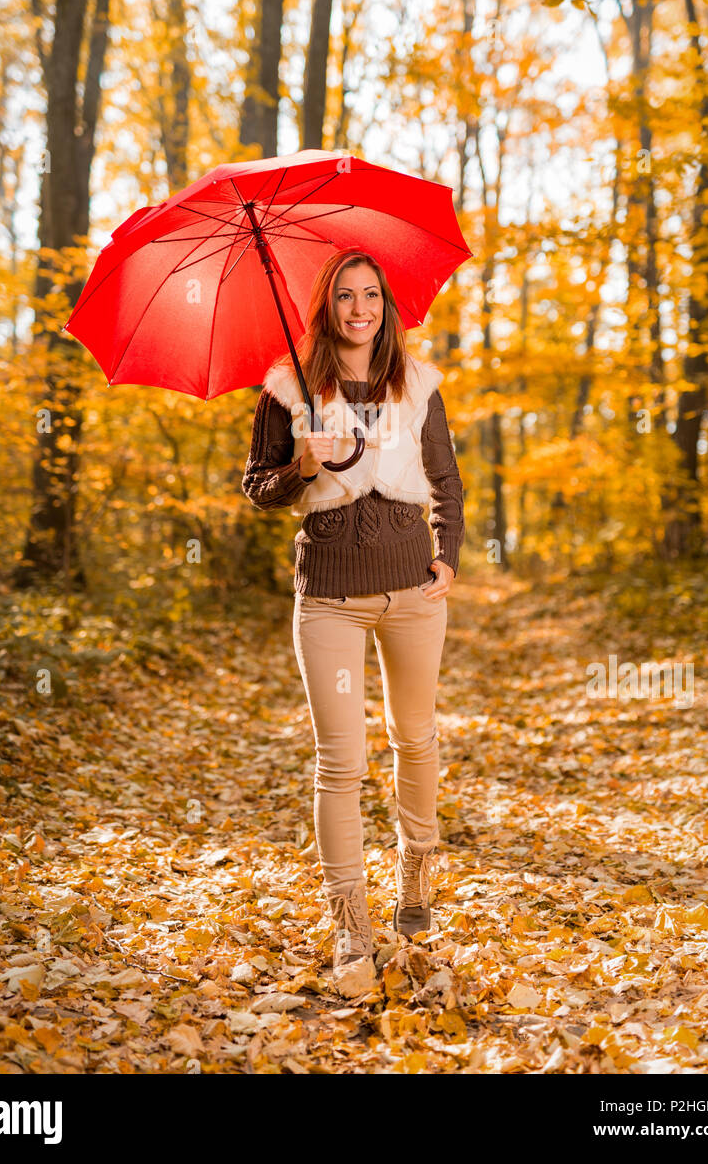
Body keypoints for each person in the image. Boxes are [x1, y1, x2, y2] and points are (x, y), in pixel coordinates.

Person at [241, 249, 465, 991]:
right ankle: (350, 929)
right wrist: (302, 467)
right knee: (340, 762)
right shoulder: (287, 387)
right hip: (330, 597)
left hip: (410, 593)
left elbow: (445, 478)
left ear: (386, 306)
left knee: (415, 736)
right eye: (345, 296)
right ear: (326, 307)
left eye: (371, 295)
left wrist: (448, 555)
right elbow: (257, 489)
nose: (359, 308)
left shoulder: (418, 383)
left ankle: (415, 872)